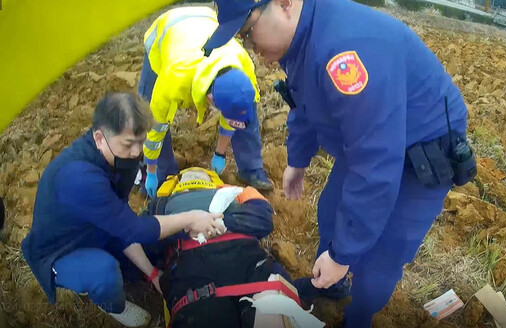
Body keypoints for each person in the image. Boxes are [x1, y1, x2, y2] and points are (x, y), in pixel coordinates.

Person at [203, 1, 476, 327]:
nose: (250, 48)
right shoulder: (301, 38)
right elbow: (303, 99)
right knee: (333, 212)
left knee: (379, 258)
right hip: (374, 135)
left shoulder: (343, 52)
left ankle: (358, 317)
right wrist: (298, 160)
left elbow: (376, 166)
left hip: (422, 151)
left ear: (284, 4)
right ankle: (332, 285)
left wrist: (343, 255)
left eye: (248, 33)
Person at [21, 93, 224, 328]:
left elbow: (123, 222)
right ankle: (114, 305)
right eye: (129, 144)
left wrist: (151, 274)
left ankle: (134, 271)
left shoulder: (118, 156)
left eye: (141, 142)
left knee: (157, 245)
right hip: (62, 250)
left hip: (99, 226)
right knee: (104, 272)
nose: (137, 152)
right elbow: (133, 230)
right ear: (99, 138)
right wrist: (190, 218)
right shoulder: (78, 178)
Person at [146, 167, 350, 328]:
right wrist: (220, 221)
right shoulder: (238, 194)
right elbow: (261, 220)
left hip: (196, 280)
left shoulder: (162, 205)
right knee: (273, 308)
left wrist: (190, 226)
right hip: (250, 267)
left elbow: (147, 240)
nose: (193, 174)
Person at [138, 6, 274, 198]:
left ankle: (251, 169)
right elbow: (155, 126)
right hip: (167, 30)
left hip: (207, 21)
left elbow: (234, 113)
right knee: (146, 109)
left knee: (241, 106)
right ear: (210, 99)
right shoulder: (174, 78)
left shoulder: (244, 68)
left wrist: (220, 153)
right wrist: (151, 171)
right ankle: (163, 173)